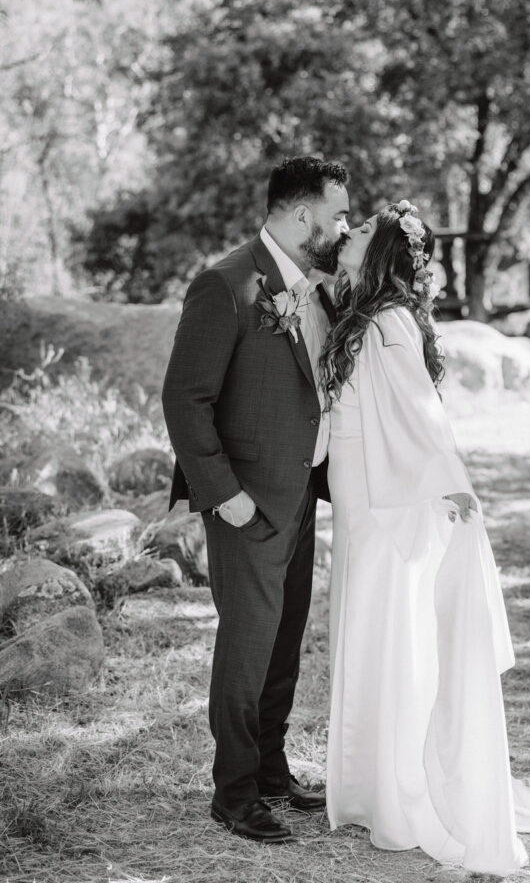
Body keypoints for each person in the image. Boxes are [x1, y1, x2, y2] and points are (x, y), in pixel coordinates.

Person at [319, 201, 530, 876]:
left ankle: (400, 789)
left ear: (377, 253)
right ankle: (372, 784)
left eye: (356, 231)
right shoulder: (361, 315)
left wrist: (448, 487)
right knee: (371, 636)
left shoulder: (388, 322)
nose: (344, 234)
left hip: (390, 505)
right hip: (361, 501)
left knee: (393, 641)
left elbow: (419, 416)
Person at [162, 155, 350, 844]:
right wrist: (225, 497)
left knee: (283, 643)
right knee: (246, 649)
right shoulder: (226, 284)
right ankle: (234, 793)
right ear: (302, 215)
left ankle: (271, 771)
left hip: (300, 497)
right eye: (337, 215)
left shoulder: (314, 287)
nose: (342, 227)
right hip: (246, 504)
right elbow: (186, 399)